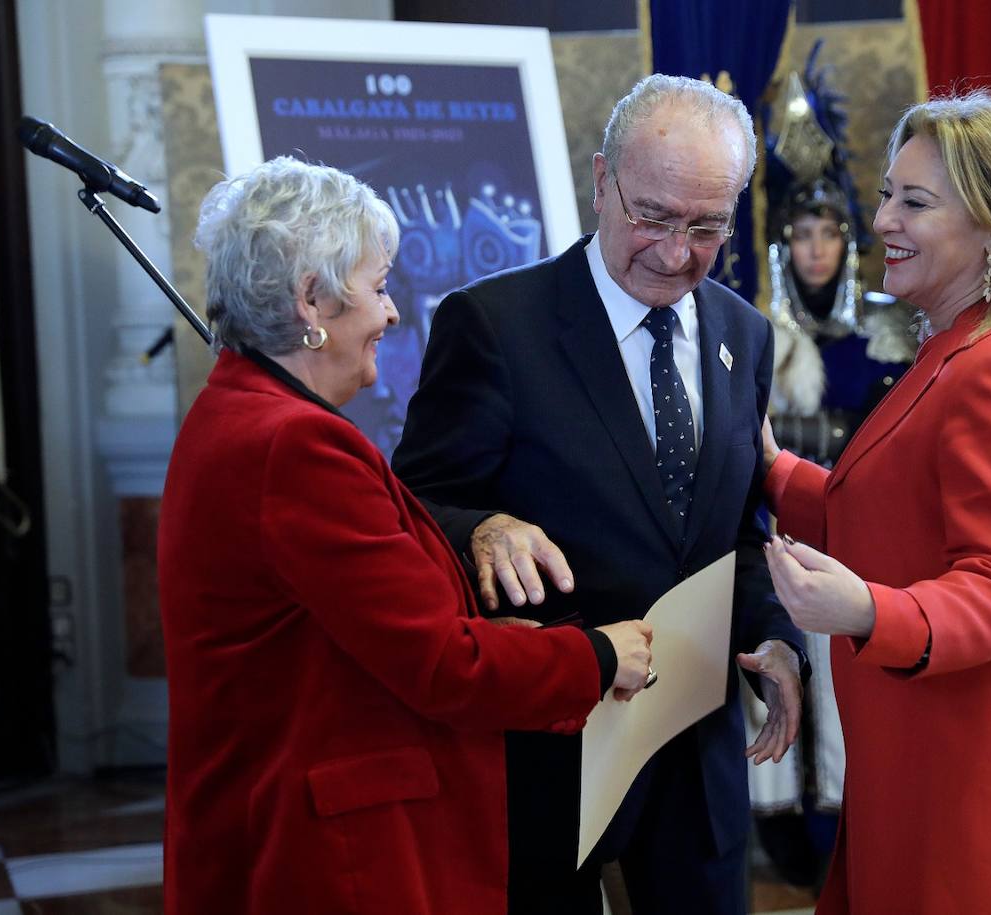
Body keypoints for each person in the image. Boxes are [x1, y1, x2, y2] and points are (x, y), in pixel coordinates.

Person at [158, 157, 655, 915]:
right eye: (380, 286)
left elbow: (355, 632)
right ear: (311, 299)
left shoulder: (237, 411)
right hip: (333, 856)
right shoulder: (294, 447)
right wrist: (601, 653)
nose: (392, 315)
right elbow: (441, 666)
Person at [392, 75, 806, 915]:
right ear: (600, 181)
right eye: (652, 216)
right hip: (553, 750)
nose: (675, 251)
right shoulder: (496, 325)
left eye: (707, 226)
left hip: (698, 756)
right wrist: (483, 525)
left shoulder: (744, 333)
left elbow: (733, 526)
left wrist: (777, 636)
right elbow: (410, 505)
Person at [760, 90, 991, 913]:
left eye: (915, 202)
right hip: (925, 760)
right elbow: (884, 514)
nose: (882, 219)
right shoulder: (951, 351)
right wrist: (773, 469)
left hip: (986, 777)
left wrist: (864, 611)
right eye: (887, 193)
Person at [748, 60, 916, 889]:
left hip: (866, 551)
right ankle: (789, 826)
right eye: (800, 235)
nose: (815, 249)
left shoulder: (891, 338)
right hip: (779, 541)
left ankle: (854, 824)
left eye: (828, 233)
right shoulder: (755, 336)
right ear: (783, 244)